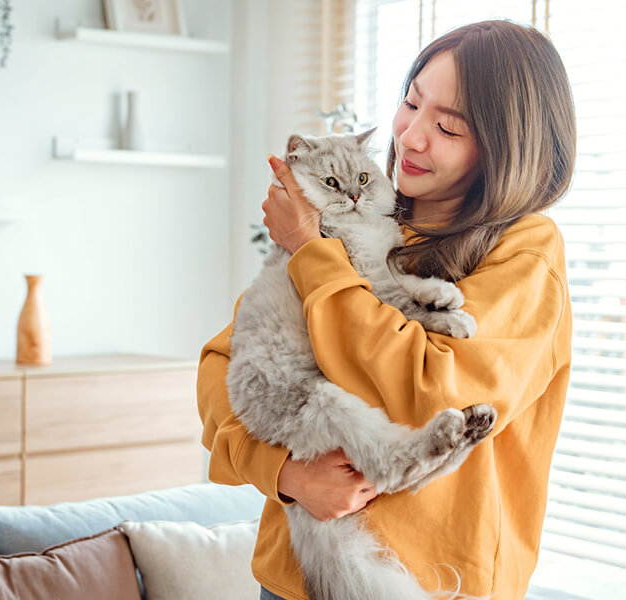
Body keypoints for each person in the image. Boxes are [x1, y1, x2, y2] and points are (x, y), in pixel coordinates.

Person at [197, 20, 575, 600]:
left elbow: (432, 390)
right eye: (411, 103)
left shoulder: (526, 251)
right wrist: (285, 474)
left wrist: (312, 252)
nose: (412, 136)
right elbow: (222, 367)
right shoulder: (363, 218)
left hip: (435, 582)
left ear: (505, 146)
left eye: (448, 126)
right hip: (294, 580)